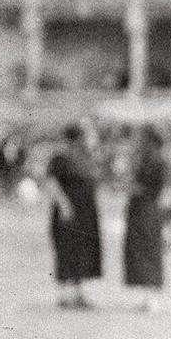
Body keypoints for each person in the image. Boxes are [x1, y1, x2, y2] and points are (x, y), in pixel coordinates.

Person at [45, 125, 104, 309]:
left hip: (85, 212)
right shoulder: (60, 158)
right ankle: (64, 295)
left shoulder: (85, 157)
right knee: (66, 249)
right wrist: (63, 204)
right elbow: (52, 182)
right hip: (68, 210)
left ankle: (78, 294)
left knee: (82, 250)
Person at [123, 127, 170, 311]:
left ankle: (151, 296)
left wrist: (130, 185)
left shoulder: (153, 160)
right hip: (144, 208)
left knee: (147, 249)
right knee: (145, 249)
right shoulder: (151, 158)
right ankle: (148, 295)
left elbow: (146, 187)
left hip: (145, 208)